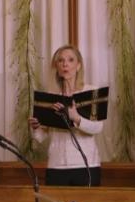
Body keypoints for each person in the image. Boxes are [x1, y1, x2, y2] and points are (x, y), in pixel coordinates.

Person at [30, 45, 104, 186]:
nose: (65, 64)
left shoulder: (91, 91)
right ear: (56, 67)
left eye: (70, 60)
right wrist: (36, 127)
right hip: (56, 165)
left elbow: (98, 127)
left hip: (86, 165)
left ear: (78, 66)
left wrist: (76, 118)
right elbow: (40, 137)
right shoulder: (51, 97)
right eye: (61, 60)